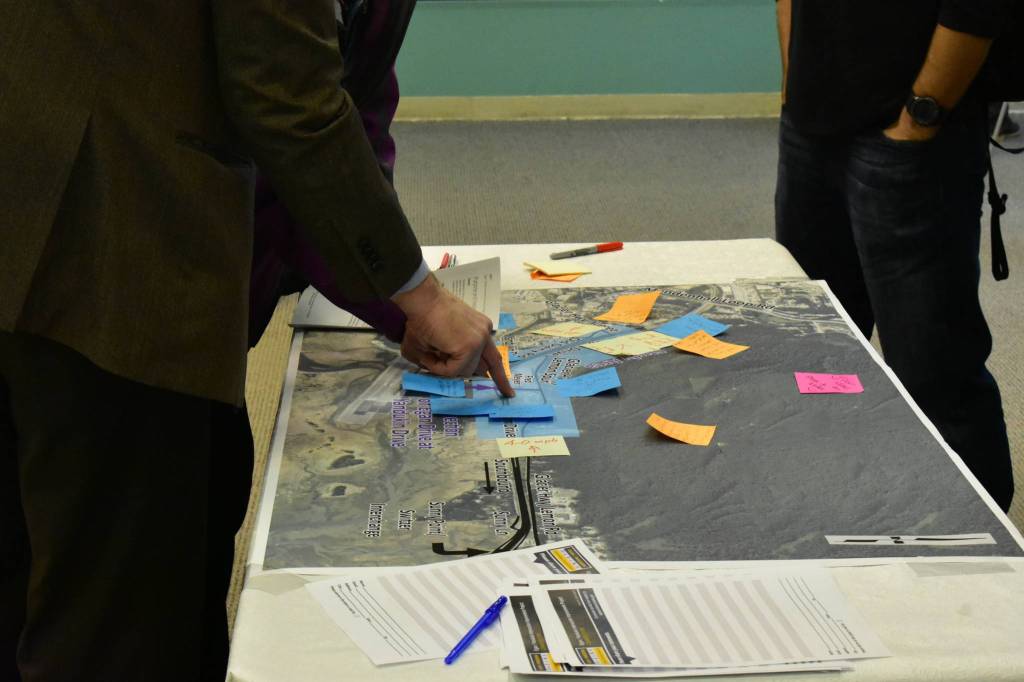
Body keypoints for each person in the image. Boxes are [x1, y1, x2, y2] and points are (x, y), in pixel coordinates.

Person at [0, 3, 512, 681]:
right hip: (102, 236)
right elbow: (288, 104)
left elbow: (347, 97)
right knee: (120, 613)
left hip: (69, 197)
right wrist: (422, 297)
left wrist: (398, 301)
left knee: (145, 523)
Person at [774, 0, 1015, 511]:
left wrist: (921, 116)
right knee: (815, 351)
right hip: (810, 127)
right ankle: (839, 508)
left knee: (934, 371)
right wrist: (796, 86)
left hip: (913, 139)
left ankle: (977, 540)